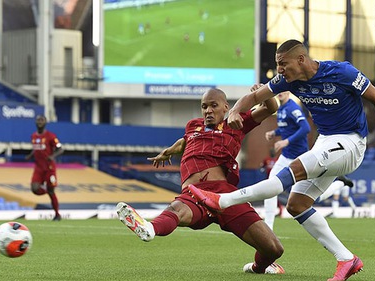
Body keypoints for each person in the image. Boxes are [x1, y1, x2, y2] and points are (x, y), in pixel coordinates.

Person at [188, 39, 375, 281]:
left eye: (283, 64)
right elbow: (253, 98)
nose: (279, 70)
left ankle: (223, 201)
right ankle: (347, 259)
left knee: (286, 175)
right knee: (296, 205)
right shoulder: (286, 81)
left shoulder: (341, 72)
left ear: (301, 60)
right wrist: (234, 111)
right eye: (277, 64)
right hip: (326, 141)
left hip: (351, 142)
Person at [116, 88, 286, 274]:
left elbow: (270, 108)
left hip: (224, 195)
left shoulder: (236, 121)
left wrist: (264, 92)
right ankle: (149, 228)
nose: (208, 111)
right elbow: (185, 140)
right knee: (176, 210)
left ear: (226, 107)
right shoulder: (193, 125)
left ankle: (257, 267)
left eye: (214, 105)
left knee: (274, 249)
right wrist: (170, 150)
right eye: (204, 106)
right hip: (194, 192)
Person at [262, 90, 310, 230]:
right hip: (285, 156)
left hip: (299, 158)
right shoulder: (281, 108)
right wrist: (274, 133)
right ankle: (268, 226)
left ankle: (339, 184)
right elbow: (286, 127)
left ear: (289, 92)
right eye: (279, 90)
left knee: (310, 196)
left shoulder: (293, 107)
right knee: (270, 185)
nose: (280, 92)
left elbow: (305, 128)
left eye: (284, 90)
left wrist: (286, 142)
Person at [25, 115, 64, 221]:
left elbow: (60, 149)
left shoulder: (51, 136)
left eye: (42, 120)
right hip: (38, 167)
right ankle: (48, 191)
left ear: (46, 122)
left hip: (49, 168)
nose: (40, 122)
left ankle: (57, 214)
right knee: (34, 189)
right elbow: (37, 149)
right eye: (38, 120)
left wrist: (52, 156)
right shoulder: (33, 136)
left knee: (52, 192)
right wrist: (30, 155)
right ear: (35, 122)